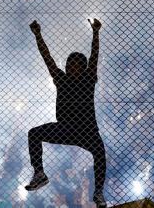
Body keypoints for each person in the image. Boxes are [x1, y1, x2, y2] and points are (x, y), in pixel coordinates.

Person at [25, 19, 107, 208]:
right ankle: (39, 173)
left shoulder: (88, 78)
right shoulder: (61, 79)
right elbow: (48, 59)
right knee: (34, 133)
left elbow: (94, 56)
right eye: (71, 65)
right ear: (68, 66)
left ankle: (98, 192)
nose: (73, 69)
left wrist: (96, 33)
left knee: (100, 154)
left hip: (87, 130)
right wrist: (38, 35)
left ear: (83, 67)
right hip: (66, 128)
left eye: (78, 66)